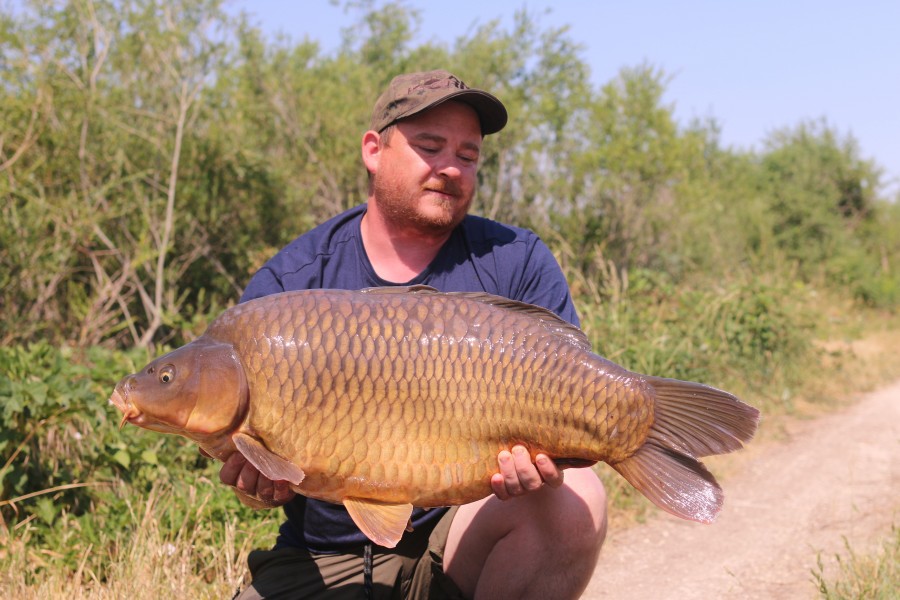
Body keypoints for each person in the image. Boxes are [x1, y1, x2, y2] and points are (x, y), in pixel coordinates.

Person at [223, 69, 608, 600]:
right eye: (430, 146)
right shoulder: (289, 289)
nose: (450, 168)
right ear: (374, 150)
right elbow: (260, 483)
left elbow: (570, 389)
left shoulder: (515, 261)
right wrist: (259, 490)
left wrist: (547, 466)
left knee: (575, 498)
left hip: (462, 535)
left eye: (468, 156)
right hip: (324, 556)